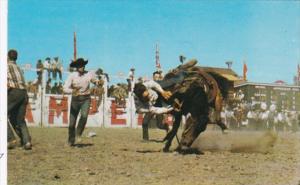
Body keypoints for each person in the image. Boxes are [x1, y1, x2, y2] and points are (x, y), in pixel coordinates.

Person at [63, 58, 102, 146]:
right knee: (72, 123)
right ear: (77, 67)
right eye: (80, 66)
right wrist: (72, 91)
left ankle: (78, 134)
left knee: (84, 116)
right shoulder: (72, 75)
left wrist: (98, 82)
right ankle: (71, 140)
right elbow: (65, 88)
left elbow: (95, 81)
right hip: (75, 99)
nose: (82, 67)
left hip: (86, 98)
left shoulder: (89, 74)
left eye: (83, 65)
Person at [7, 49, 32, 150]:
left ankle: (10, 139)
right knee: (19, 120)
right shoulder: (18, 67)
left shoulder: (6, 66)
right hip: (24, 93)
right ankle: (27, 142)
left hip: (14, 92)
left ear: (8, 57)